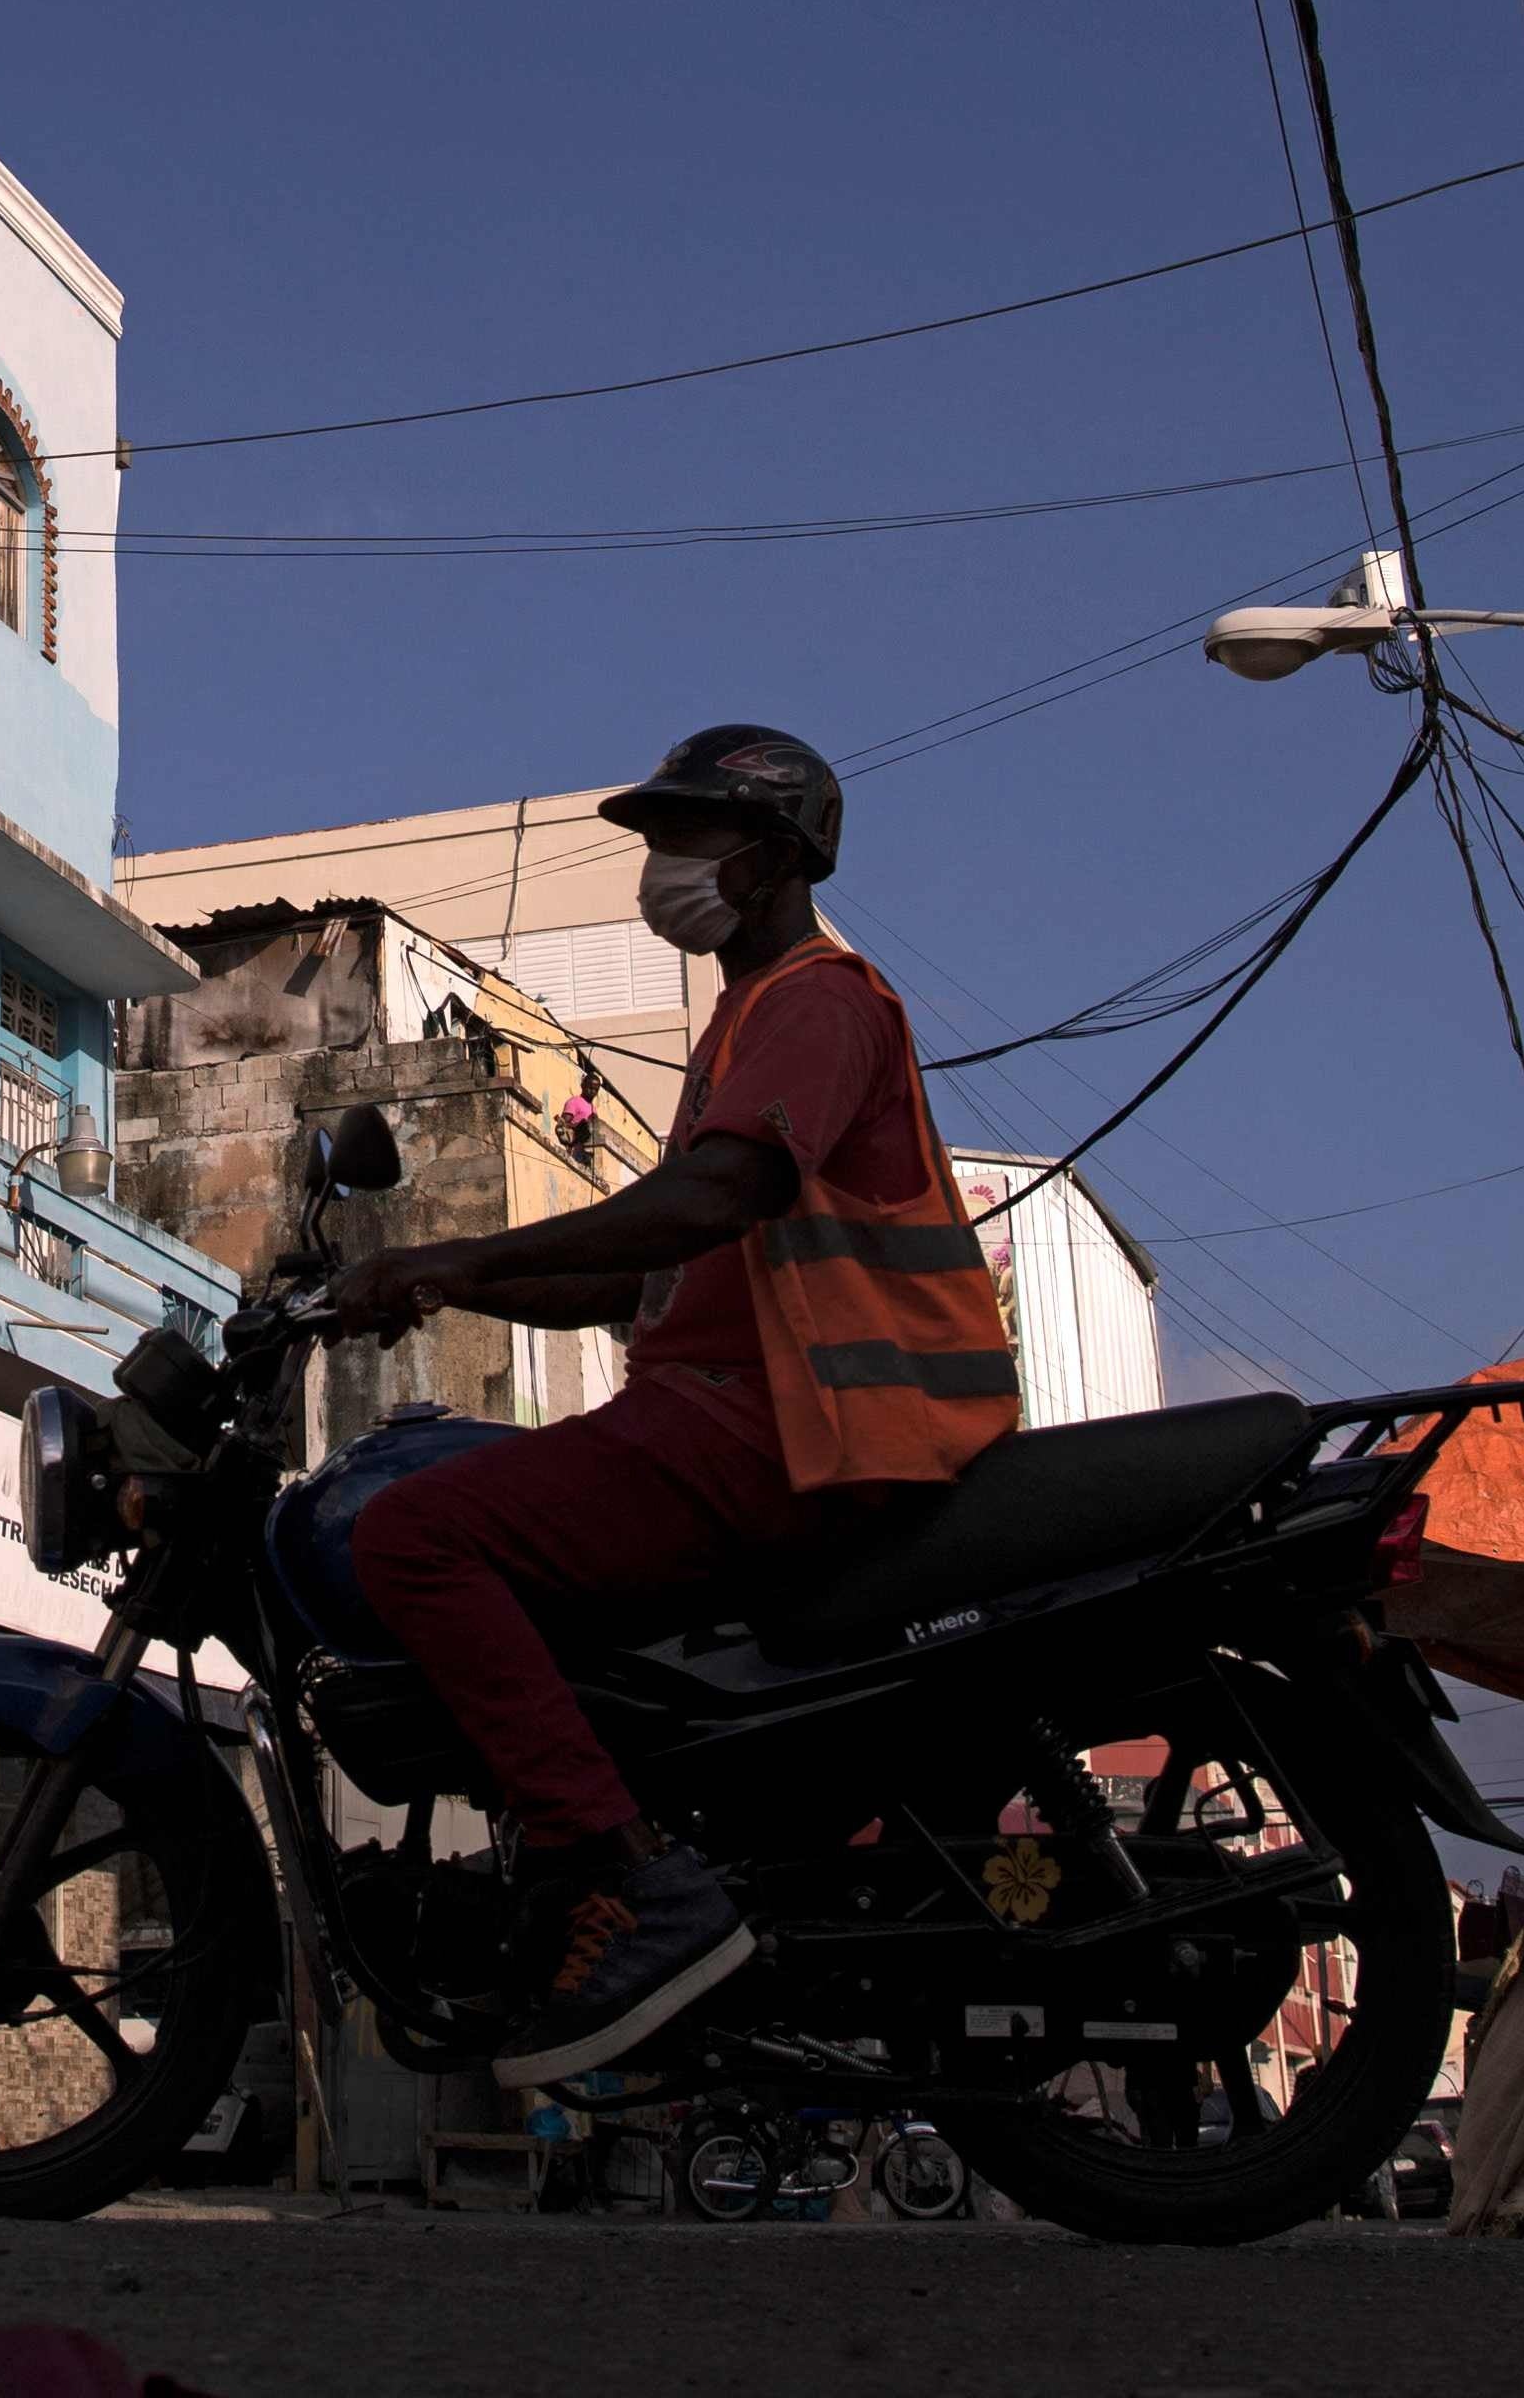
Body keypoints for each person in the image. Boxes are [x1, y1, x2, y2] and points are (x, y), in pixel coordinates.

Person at [320, 724, 1020, 2086]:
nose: (661, 868)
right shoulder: (745, 1025)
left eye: (684, 839)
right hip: (743, 1416)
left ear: (764, 858)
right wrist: (434, 1284)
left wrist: (458, 1255)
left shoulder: (817, 1003)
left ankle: (623, 1876)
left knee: (413, 1539)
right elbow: (646, 1274)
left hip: (787, 1429)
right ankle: (581, 1869)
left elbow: (712, 1199)